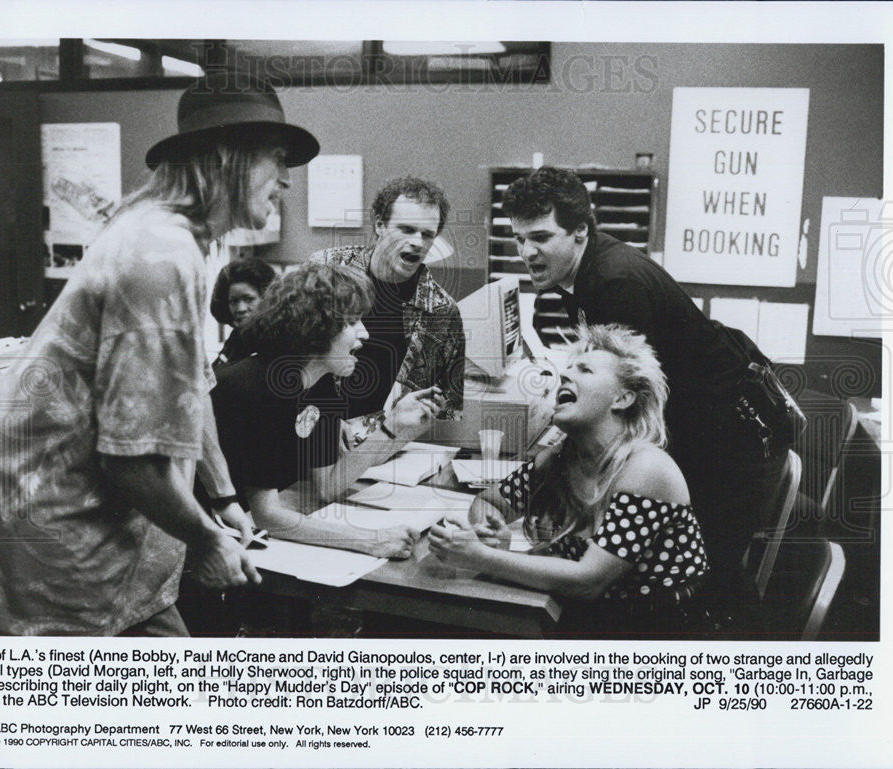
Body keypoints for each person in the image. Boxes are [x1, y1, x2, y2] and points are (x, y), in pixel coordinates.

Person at [0, 72, 320, 636]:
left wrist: (220, 497)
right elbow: (132, 459)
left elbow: (195, 388)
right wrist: (205, 537)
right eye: (276, 158)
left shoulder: (170, 235)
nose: (287, 178)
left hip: (99, 546)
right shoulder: (159, 254)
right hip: (51, 554)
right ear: (227, 156)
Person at [500, 166, 794, 615]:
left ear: (579, 232)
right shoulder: (584, 272)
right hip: (705, 425)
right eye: (519, 239)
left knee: (702, 579)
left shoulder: (614, 283)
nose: (527, 251)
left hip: (727, 442)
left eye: (540, 237)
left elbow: (623, 401)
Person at [428, 324, 713, 637]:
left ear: (622, 398)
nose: (564, 376)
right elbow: (489, 502)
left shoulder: (647, 469)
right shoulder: (559, 458)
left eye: (585, 370)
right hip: (594, 617)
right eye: (568, 369)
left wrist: (485, 557)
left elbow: (589, 581)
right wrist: (489, 528)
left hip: (661, 630)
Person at [211, 262, 447, 558]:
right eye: (351, 322)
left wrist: (394, 427)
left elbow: (329, 484)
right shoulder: (260, 387)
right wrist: (370, 540)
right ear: (314, 328)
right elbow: (266, 515)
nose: (364, 334)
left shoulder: (320, 384)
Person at [309, 177, 465, 436]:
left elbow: (451, 411)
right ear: (380, 224)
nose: (418, 242)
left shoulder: (442, 311)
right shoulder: (325, 270)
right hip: (315, 435)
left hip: (390, 448)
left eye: (427, 234)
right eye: (406, 229)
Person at [209, 257, 278, 365]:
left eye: (249, 299)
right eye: (233, 301)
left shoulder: (275, 341)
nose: (240, 309)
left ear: (267, 298)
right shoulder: (238, 337)